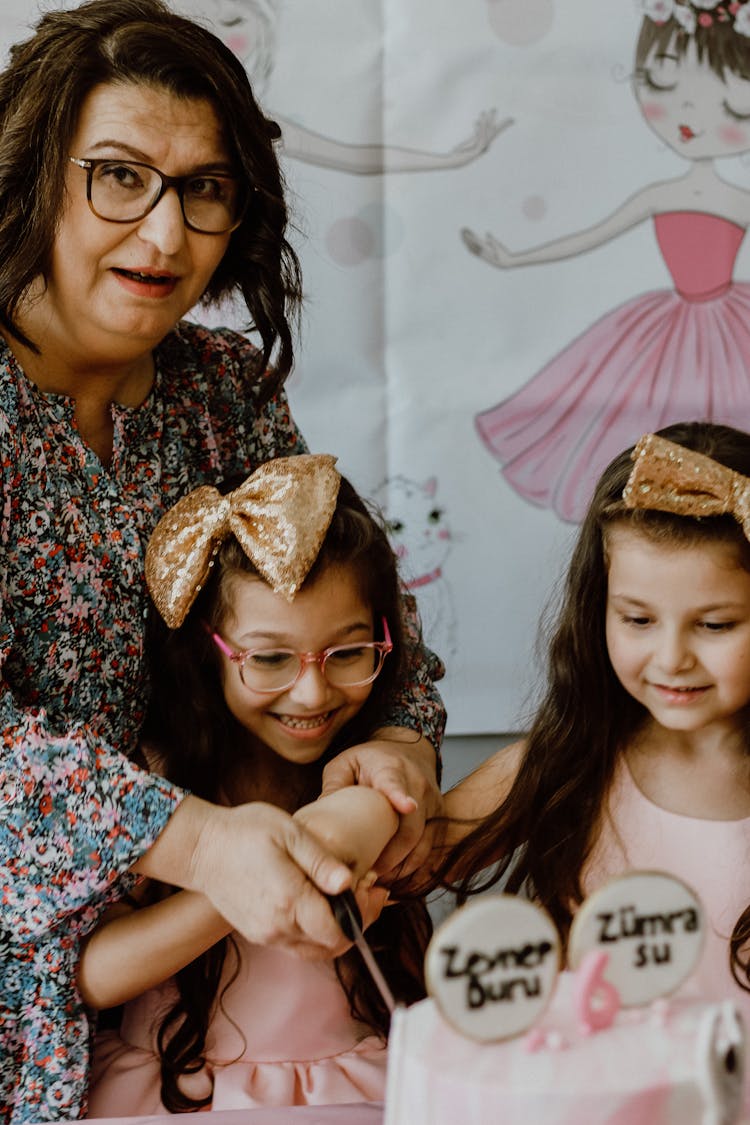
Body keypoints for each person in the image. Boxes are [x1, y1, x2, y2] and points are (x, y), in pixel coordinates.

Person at [0, 3, 445, 1122]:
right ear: (32, 174)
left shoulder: (222, 390)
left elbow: (359, 621)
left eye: (204, 188)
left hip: (217, 987)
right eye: (117, 176)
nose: (162, 237)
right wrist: (197, 842)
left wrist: (393, 757)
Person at [81, 453, 431, 1114]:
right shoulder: (157, 781)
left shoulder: (371, 775)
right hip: (178, 1094)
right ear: (204, 650)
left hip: (353, 1090)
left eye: (348, 652)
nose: (311, 689)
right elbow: (94, 977)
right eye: (269, 657)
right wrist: (248, 881)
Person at [431, 421, 750, 1047]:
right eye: (637, 618)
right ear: (598, 605)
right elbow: (409, 862)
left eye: (714, 625)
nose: (671, 657)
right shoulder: (563, 763)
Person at [463, 1, 750, 522]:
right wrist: (514, 258)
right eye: (666, 89)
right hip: (667, 328)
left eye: (730, 105)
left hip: (730, 326)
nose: (690, 117)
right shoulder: (662, 193)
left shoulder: (737, 201)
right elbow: (591, 236)